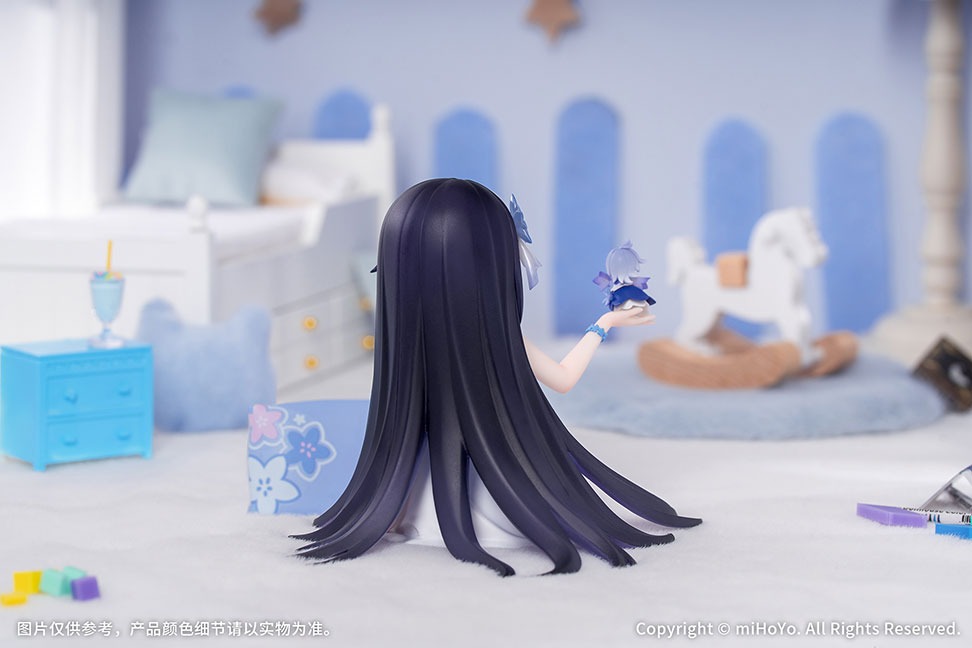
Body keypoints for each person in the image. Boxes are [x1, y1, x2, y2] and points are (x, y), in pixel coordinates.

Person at [294, 178, 700, 576]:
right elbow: (563, 379)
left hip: (407, 509)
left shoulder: (400, 340)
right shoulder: (498, 336)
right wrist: (604, 324)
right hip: (495, 508)